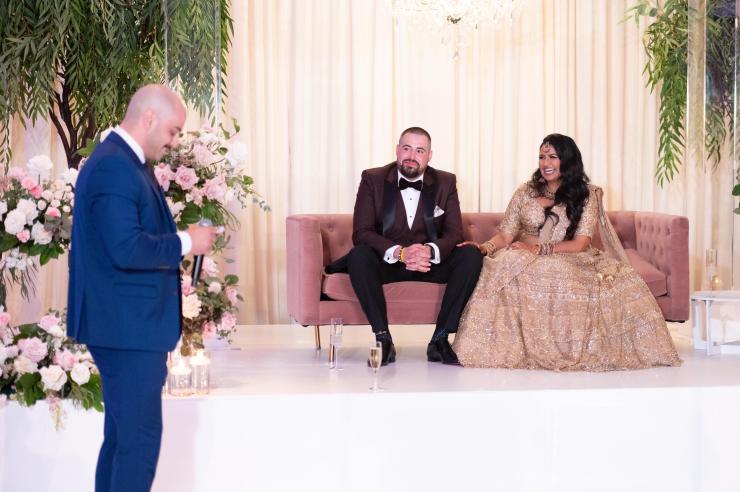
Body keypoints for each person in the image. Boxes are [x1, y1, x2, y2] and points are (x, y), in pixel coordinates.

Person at [67, 84, 218, 492]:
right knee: (138, 445)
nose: (174, 141)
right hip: (127, 330)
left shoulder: (124, 162)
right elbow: (126, 248)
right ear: (148, 118)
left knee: (122, 442)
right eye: (172, 131)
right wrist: (186, 242)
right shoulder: (116, 166)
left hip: (126, 327)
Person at [452, 133, 681, 370]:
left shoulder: (586, 195)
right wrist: (484, 247)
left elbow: (580, 243)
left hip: (568, 255)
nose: (546, 163)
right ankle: (512, 348)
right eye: (542, 157)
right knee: (505, 268)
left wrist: (537, 249)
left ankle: (565, 349)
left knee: (579, 273)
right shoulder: (525, 192)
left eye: (553, 157)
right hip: (522, 254)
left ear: (568, 160)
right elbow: (505, 235)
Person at [341, 126, 483, 365]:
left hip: (429, 264)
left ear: (429, 155)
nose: (411, 156)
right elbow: (362, 232)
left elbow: (454, 233)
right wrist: (400, 253)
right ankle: (383, 339)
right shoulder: (372, 179)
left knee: (470, 255)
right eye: (406, 148)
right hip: (389, 263)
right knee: (359, 256)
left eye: (419, 151)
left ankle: (439, 339)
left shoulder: (445, 182)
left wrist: (428, 251)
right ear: (397, 150)